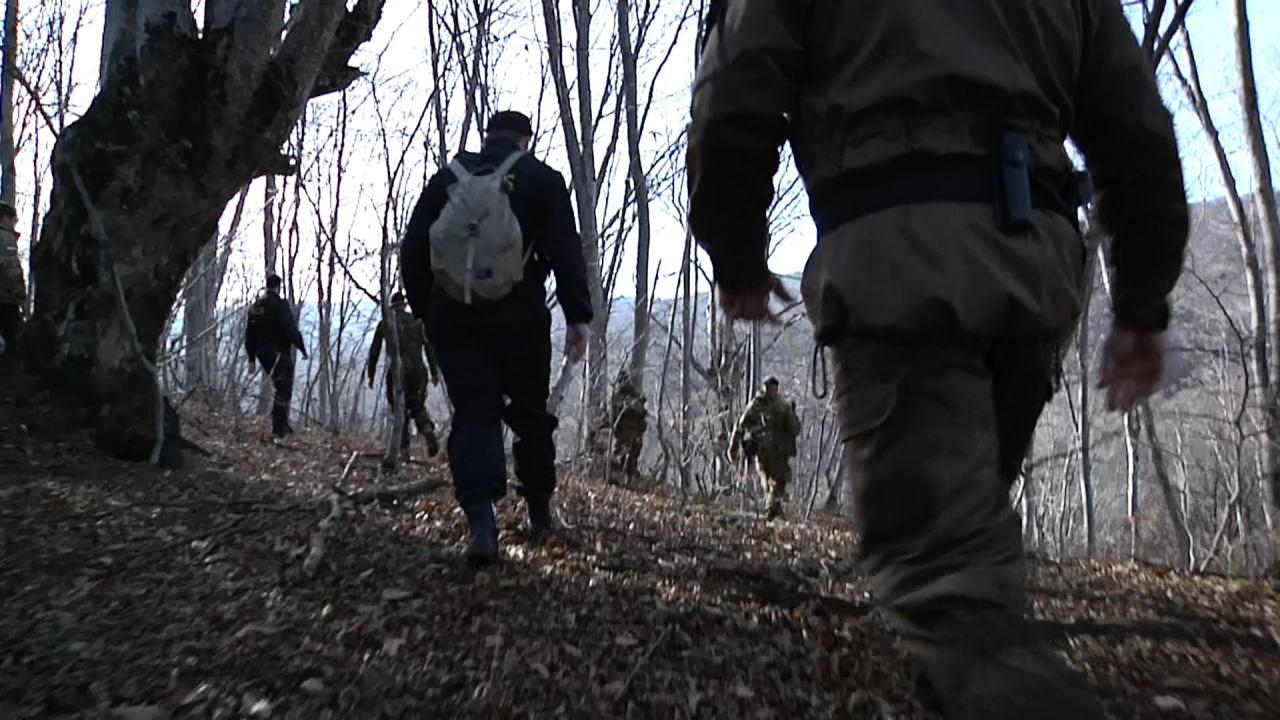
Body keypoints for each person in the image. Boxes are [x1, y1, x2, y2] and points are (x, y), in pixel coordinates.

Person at [687, 3, 1187, 718]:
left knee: (953, 595)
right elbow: (1136, 129)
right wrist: (1141, 303)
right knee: (964, 552)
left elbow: (731, 98)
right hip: (1032, 276)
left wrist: (735, 253)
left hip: (899, 274)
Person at [401, 110, 594, 567]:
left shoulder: (447, 179)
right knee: (529, 414)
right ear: (527, 139)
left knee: (475, 414)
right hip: (518, 315)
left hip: (454, 316)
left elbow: (414, 249)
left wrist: (428, 310)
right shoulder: (540, 179)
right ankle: (540, 516)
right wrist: (577, 316)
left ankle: (482, 526)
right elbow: (565, 248)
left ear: (487, 137)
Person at [366, 292, 441, 460]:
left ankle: (404, 451)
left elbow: (374, 350)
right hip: (419, 372)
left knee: (399, 409)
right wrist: (434, 371)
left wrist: (371, 373)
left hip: (398, 372)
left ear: (392, 306)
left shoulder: (386, 323)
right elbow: (429, 348)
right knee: (418, 407)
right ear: (404, 305)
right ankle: (427, 430)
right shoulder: (418, 321)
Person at [245, 274, 308, 438]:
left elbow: (249, 334)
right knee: (284, 388)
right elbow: (290, 329)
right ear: (278, 287)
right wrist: (302, 348)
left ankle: (282, 424)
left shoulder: (256, 307)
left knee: (280, 386)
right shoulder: (279, 305)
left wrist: (251, 358)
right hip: (278, 352)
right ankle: (278, 427)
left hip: (261, 353)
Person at [729, 377, 801, 520]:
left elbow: (739, 426)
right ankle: (770, 514)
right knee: (776, 484)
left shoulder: (755, 405)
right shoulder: (783, 406)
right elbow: (795, 429)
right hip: (776, 453)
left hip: (763, 452)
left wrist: (733, 447)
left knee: (769, 485)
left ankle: (774, 514)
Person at [609, 368, 647, 481]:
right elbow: (643, 415)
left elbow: (612, 416)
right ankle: (629, 480)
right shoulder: (635, 395)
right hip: (635, 434)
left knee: (619, 456)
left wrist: (614, 429)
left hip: (623, 433)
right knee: (632, 458)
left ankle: (618, 480)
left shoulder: (617, 397)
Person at [0, 201, 25, 354]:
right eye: (13, 220)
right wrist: (20, 294)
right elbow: (10, 267)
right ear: (4, 218)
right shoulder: (5, 238)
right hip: (5, 299)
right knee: (12, 343)